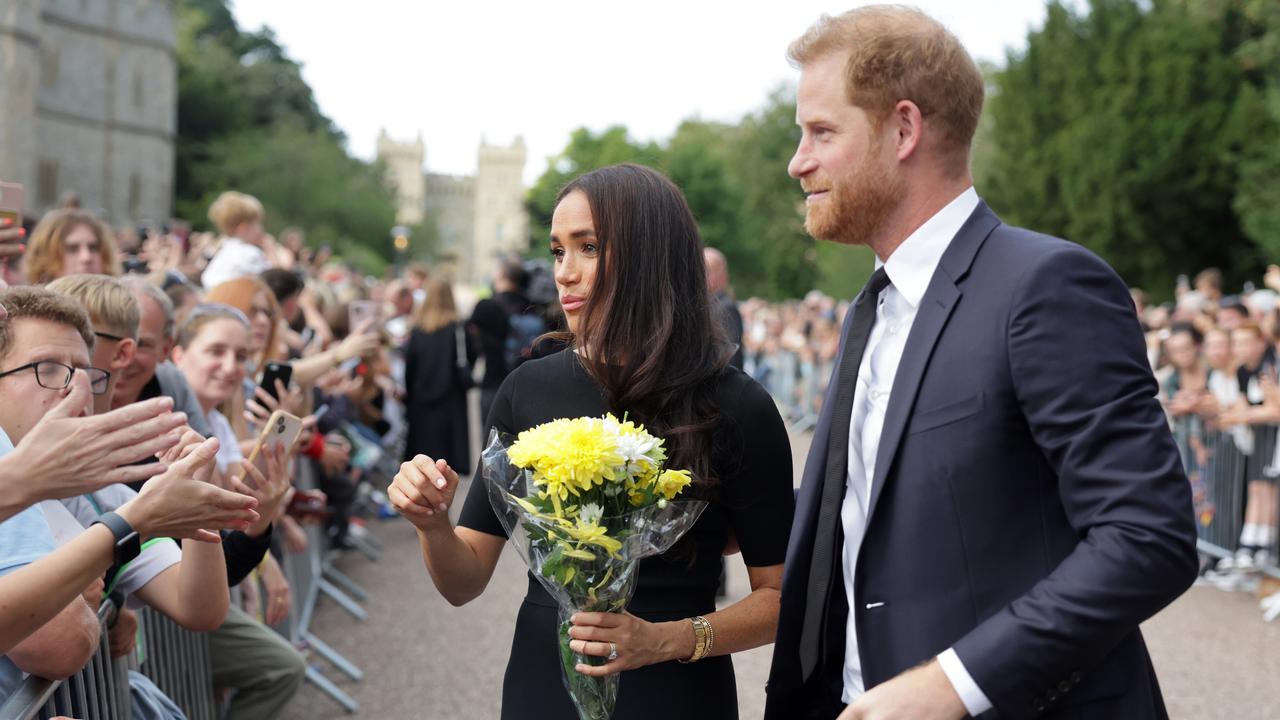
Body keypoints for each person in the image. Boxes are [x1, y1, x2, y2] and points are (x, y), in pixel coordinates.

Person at [767, 8, 1197, 720]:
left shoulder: (1046, 285)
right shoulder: (868, 310)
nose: (798, 161)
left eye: (821, 132)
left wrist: (954, 684)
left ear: (903, 130)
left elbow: (1148, 537)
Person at [388, 164, 795, 719]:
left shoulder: (735, 406)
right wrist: (431, 523)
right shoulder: (527, 389)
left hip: (674, 693)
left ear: (651, 258)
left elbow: (779, 598)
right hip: (542, 683)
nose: (566, 272)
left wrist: (669, 640)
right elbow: (463, 583)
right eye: (558, 251)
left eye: (589, 247)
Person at [0, 286, 258, 688]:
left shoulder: (90, 492)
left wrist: (194, 491)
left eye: (84, 373)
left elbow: (201, 610)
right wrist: (123, 536)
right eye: (45, 369)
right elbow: (60, 643)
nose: (75, 389)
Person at [402, 276, 474, 470]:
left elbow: (410, 368)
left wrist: (408, 397)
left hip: (421, 401)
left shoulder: (418, 330)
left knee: (422, 460)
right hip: (451, 400)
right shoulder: (458, 328)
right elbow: (471, 356)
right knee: (446, 463)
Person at [467, 258, 538, 424]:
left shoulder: (486, 307)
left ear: (500, 275)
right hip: (528, 387)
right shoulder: (533, 307)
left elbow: (471, 346)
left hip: (494, 384)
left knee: (492, 446)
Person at [23, 208, 120, 284]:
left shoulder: (123, 307)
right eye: (72, 249)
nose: (86, 257)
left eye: (93, 248)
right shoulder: (27, 309)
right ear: (45, 257)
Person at [201, 191, 271, 290]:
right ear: (243, 228)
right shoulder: (250, 254)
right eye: (258, 224)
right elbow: (271, 286)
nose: (262, 229)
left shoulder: (222, 250)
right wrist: (271, 251)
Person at [704, 248, 744, 370]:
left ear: (721, 274)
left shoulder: (726, 307)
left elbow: (729, 356)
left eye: (706, 270)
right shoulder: (710, 305)